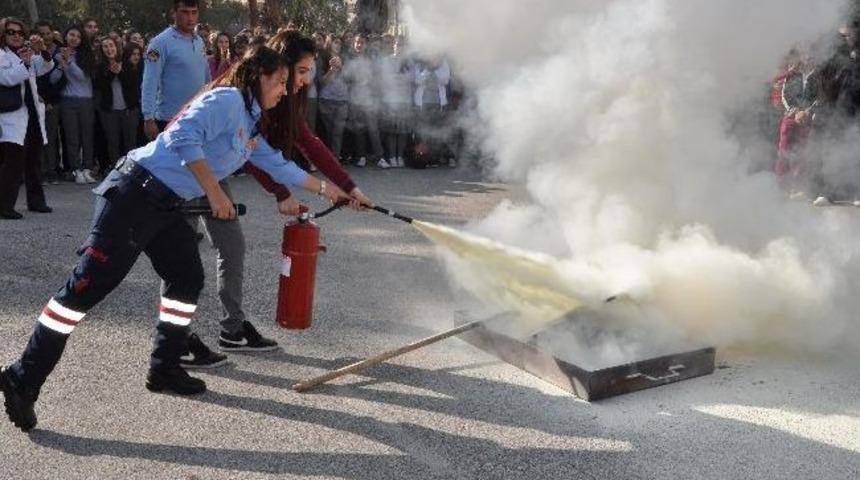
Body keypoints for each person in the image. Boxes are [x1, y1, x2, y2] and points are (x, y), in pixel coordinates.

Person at [0, 46, 335, 433]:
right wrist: (214, 191)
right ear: (257, 76)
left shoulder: (249, 119)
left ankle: (165, 366)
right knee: (79, 294)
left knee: (186, 277)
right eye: (280, 82)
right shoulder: (226, 101)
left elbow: (277, 164)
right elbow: (181, 137)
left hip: (165, 205)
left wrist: (333, 190)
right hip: (133, 197)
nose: (285, 91)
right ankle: (22, 376)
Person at [180, 31, 374, 362]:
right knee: (180, 264)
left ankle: (233, 329)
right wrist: (281, 193)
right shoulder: (236, 97)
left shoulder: (276, 95)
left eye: (310, 70)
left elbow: (303, 144)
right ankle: (175, 341)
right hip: (184, 172)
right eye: (301, 71)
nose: (306, 79)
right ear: (276, 69)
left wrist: (348, 188)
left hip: (212, 174)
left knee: (231, 247)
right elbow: (246, 154)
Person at [0, 18, 54, 219]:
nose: (16, 36)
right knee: (13, 162)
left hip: (32, 114)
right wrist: (26, 62)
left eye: (20, 33)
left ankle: (36, 201)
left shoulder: (25, 54)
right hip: (12, 116)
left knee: (33, 160)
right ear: (3, 35)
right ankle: (4, 206)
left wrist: (43, 50)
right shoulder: (2, 55)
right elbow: (6, 78)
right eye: (11, 32)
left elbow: (45, 67)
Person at [142, 0, 211, 141]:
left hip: (197, 117)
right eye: (185, 12)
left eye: (194, 12)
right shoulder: (160, 42)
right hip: (170, 120)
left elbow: (206, 78)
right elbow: (150, 81)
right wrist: (148, 118)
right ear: (174, 13)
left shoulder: (199, 41)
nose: (190, 18)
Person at [54, 25, 98, 184]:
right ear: (66, 36)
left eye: (78, 37)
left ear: (82, 40)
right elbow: (53, 79)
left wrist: (69, 62)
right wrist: (61, 65)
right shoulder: (59, 55)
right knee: (72, 138)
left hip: (86, 100)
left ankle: (87, 168)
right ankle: (76, 170)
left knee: (87, 136)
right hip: (67, 100)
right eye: (71, 35)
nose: (74, 38)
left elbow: (82, 77)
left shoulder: (86, 55)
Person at [93, 37, 140, 171]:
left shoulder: (127, 63)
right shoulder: (100, 66)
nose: (109, 49)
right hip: (109, 111)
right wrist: (111, 73)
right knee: (112, 142)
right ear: (102, 50)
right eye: (105, 47)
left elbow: (131, 83)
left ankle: (131, 170)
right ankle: (116, 170)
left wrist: (120, 72)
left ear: (116, 47)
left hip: (129, 110)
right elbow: (99, 86)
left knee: (130, 142)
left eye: (111, 45)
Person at [344, 34, 385, 168]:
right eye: (357, 42)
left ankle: (380, 157)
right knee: (359, 129)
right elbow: (346, 79)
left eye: (361, 42)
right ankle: (361, 157)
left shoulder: (371, 60)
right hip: (355, 98)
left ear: (365, 45)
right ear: (354, 44)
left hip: (370, 99)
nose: (359, 45)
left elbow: (378, 79)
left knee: (373, 129)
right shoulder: (349, 60)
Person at [318, 38, 349, 161]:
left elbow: (350, 79)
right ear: (329, 44)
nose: (337, 45)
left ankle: (335, 159)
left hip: (342, 101)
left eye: (339, 43)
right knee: (329, 132)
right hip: (326, 100)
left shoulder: (346, 58)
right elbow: (321, 82)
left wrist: (341, 67)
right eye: (335, 42)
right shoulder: (323, 58)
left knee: (338, 132)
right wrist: (331, 70)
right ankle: (329, 158)